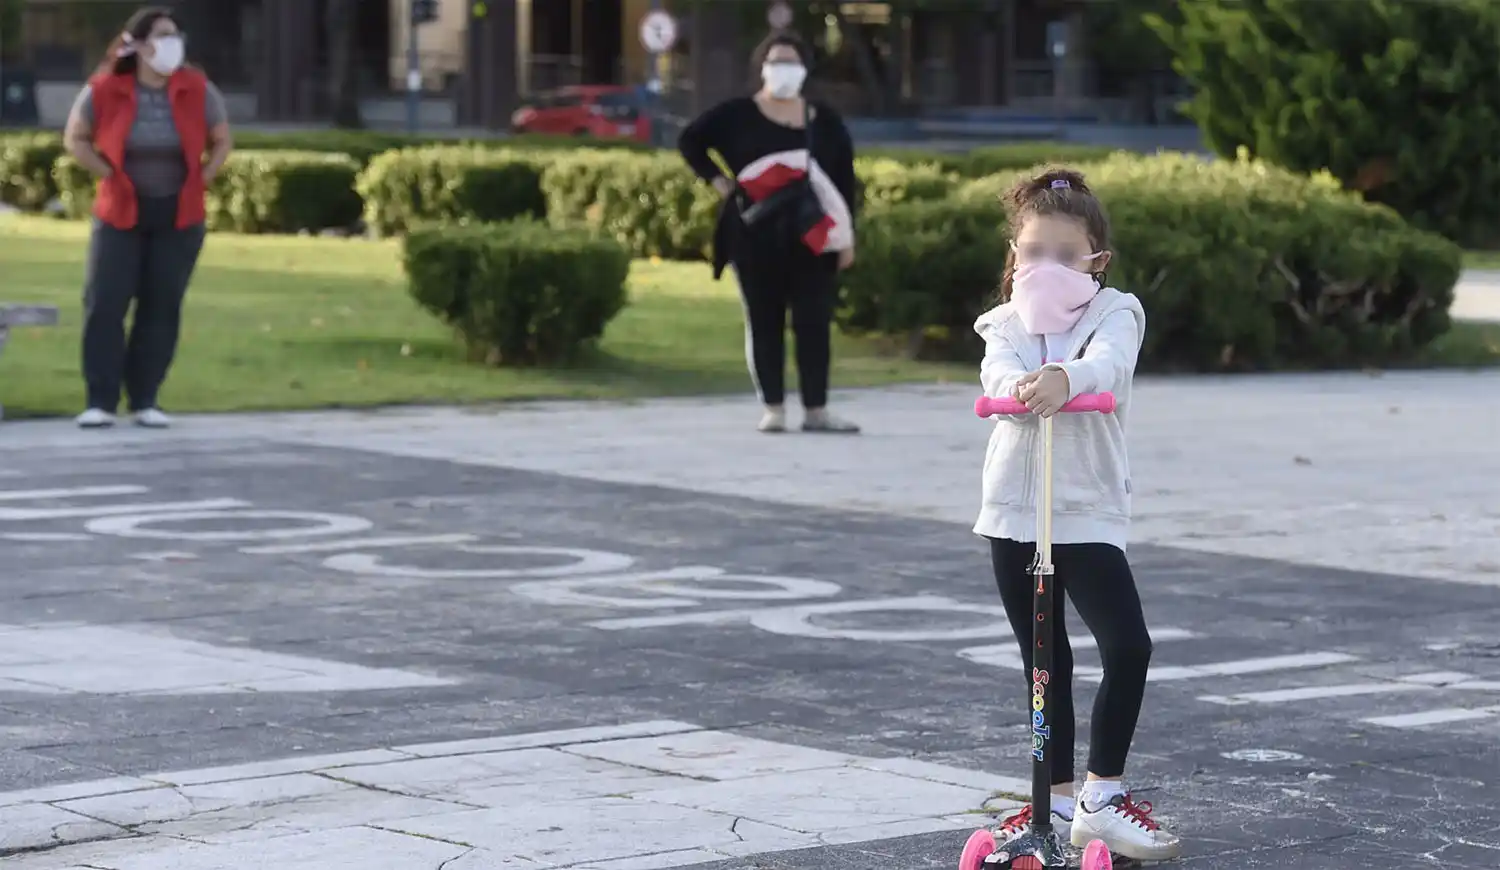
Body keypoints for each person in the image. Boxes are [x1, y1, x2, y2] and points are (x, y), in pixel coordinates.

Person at [973, 168, 1180, 862]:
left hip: (1084, 510)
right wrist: (1022, 387)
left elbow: (1111, 366)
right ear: (1014, 257)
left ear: (1097, 260)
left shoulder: (1115, 311)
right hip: (1014, 513)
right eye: (1034, 253)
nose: (1048, 268)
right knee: (1043, 661)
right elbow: (997, 377)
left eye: (1066, 255)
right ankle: (1053, 804)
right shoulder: (1002, 323)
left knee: (1127, 646)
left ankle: (1102, 797)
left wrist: (1069, 378)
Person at [677, 31, 860, 434]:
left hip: (814, 236)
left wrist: (848, 238)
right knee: (764, 321)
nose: (783, 70)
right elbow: (690, 140)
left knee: (813, 323)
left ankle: (816, 410)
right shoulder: (737, 114)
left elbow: (845, 180)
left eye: (791, 62)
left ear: (805, 70)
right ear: (761, 67)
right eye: (775, 61)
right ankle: (773, 407)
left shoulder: (823, 121)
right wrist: (719, 182)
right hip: (753, 236)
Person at [63, 6, 232, 429]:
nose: (172, 43)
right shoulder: (105, 89)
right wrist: (107, 173)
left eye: (175, 34)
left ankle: (145, 399)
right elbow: (75, 138)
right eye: (162, 35)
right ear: (138, 45)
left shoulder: (197, 88)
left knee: (161, 305)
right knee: (105, 302)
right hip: (120, 210)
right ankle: (100, 400)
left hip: (179, 214)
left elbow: (222, 139)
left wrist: (203, 177)